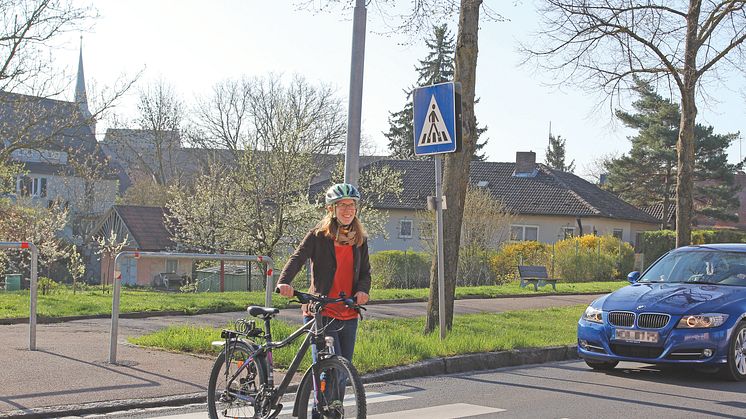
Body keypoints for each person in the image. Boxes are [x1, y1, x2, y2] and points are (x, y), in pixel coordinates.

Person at [276, 183, 371, 362]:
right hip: (322, 310)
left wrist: (363, 290)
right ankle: (319, 391)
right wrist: (284, 282)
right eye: (342, 205)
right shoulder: (318, 236)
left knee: (344, 371)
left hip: (348, 310)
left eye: (351, 205)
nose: (347, 210)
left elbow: (365, 272)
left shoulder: (360, 239)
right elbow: (297, 258)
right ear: (331, 208)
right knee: (327, 369)